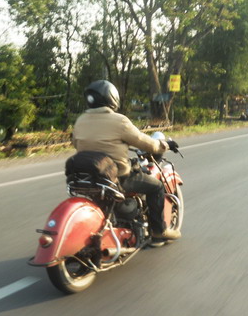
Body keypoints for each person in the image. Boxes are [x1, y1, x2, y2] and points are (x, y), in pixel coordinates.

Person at [71, 79, 180, 243]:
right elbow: (146, 143)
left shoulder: (80, 120)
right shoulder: (119, 121)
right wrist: (165, 145)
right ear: (112, 98)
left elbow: (76, 143)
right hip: (117, 178)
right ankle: (159, 231)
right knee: (156, 187)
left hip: (86, 177)